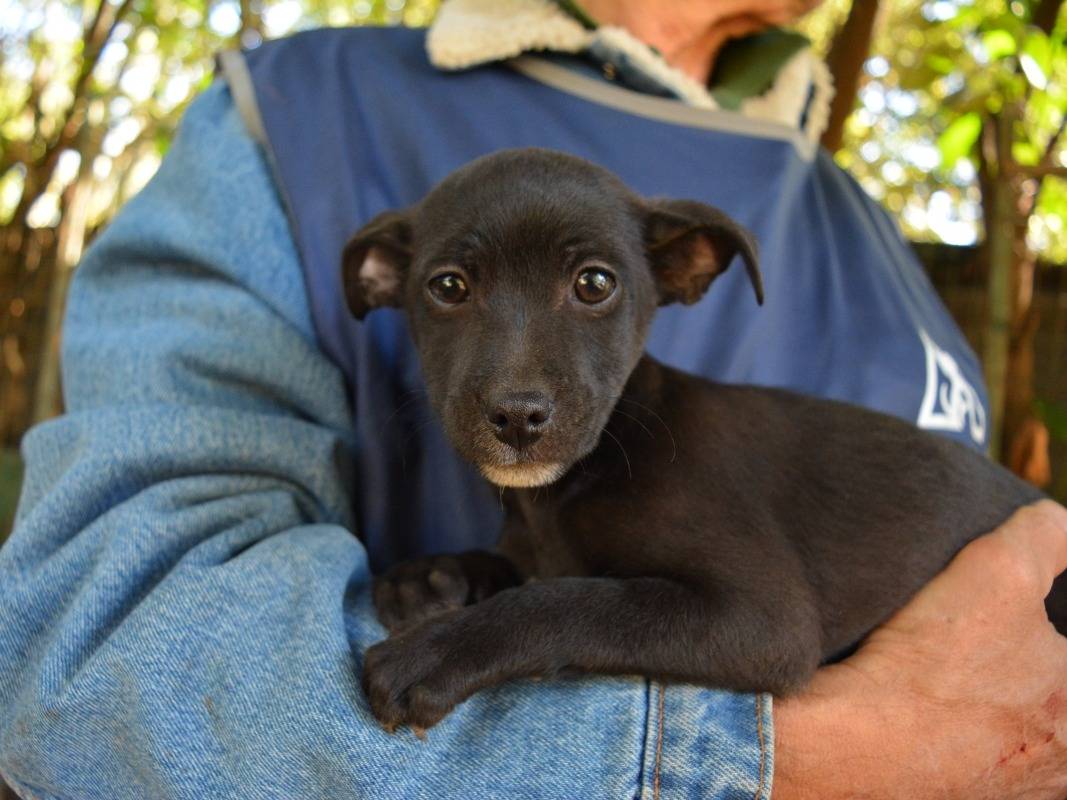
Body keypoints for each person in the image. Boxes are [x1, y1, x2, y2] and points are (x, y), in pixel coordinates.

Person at [0, 1, 1064, 797]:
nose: (517, 384)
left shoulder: (856, 218)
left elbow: (753, 621)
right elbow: (89, 654)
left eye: (589, 287)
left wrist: (496, 618)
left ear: (680, 272)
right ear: (383, 282)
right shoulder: (294, 117)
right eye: (451, 290)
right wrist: (872, 751)